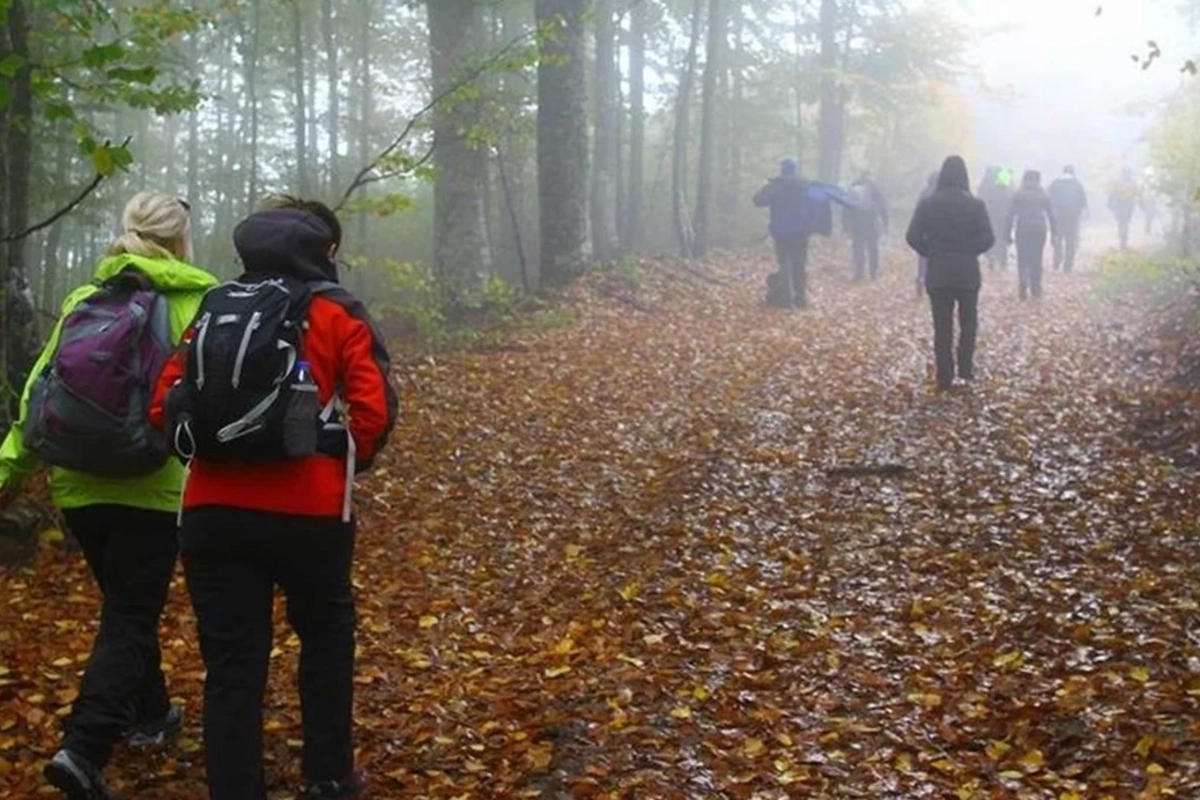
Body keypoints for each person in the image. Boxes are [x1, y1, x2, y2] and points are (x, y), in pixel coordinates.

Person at [151, 197, 397, 800]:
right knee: (325, 642)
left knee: (232, 664)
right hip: (311, 512)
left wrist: (210, 454)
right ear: (324, 251)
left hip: (212, 512)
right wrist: (342, 461)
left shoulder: (216, 305)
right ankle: (329, 776)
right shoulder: (338, 310)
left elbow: (164, 401)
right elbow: (374, 409)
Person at [0, 191, 219, 800]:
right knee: (130, 614)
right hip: (151, 485)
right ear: (181, 241)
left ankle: (151, 714)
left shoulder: (83, 299)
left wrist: (7, 470)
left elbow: (37, 396)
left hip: (77, 485)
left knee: (126, 607)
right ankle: (85, 748)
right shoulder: (198, 303)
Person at [906, 156, 995, 391]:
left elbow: (912, 236)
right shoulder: (976, 205)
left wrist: (930, 252)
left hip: (938, 271)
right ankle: (965, 368)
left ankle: (944, 374)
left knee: (942, 325)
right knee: (968, 322)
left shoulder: (928, 204)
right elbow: (988, 238)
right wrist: (970, 251)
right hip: (967, 271)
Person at [753, 158, 857, 308]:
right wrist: (854, 204)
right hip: (802, 232)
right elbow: (833, 195)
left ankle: (788, 299)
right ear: (795, 169)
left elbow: (757, 201)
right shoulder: (807, 186)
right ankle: (801, 298)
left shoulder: (775, 186)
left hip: (781, 232)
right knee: (800, 264)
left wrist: (772, 189)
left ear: (782, 169)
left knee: (785, 263)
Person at [1006, 170, 1057, 301]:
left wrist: (1007, 233)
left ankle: (1023, 280)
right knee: (1037, 258)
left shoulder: (1019, 194)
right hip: (1039, 228)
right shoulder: (1043, 194)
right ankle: (1036, 288)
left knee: (1022, 257)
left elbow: (1010, 214)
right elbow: (1051, 215)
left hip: (1023, 227)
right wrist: (1054, 234)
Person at [846, 170, 889, 281]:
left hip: (857, 222)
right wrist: (885, 222)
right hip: (871, 221)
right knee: (873, 248)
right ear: (869, 175)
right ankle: (873, 273)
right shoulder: (874, 187)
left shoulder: (853, 185)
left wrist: (846, 224)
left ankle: (859, 272)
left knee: (858, 247)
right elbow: (882, 204)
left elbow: (847, 205)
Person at [1047, 165, 1088, 272]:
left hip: (1057, 215)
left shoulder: (1055, 183)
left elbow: (1048, 199)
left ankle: (1056, 260)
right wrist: (1078, 212)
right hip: (1072, 215)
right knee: (1071, 239)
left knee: (1057, 238)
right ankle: (1068, 265)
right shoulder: (1077, 184)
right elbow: (1083, 201)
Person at [978, 166, 1014, 270]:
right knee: (1002, 235)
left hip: (989, 213)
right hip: (1004, 213)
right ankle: (1003, 259)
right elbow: (1012, 196)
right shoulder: (1006, 182)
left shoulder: (985, 183)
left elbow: (981, 198)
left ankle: (991, 256)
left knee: (991, 234)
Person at [915, 170, 938, 296]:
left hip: (925, 231)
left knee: (923, 258)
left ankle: (921, 278)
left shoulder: (924, 193)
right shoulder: (941, 194)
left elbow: (918, 212)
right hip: (937, 232)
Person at [1108, 168, 1139, 250]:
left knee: (1125, 223)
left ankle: (1124, 239)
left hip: (1128, 205)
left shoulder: (1132, 183)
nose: (1126, 175)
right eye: (1125, 173)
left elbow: (1137, 194)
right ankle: (1122, 238)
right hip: (1120, 205)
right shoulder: (1118, 183)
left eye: (1127, 173)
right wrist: (1110, 204)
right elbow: (1112, 194)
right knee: (1121, 222)